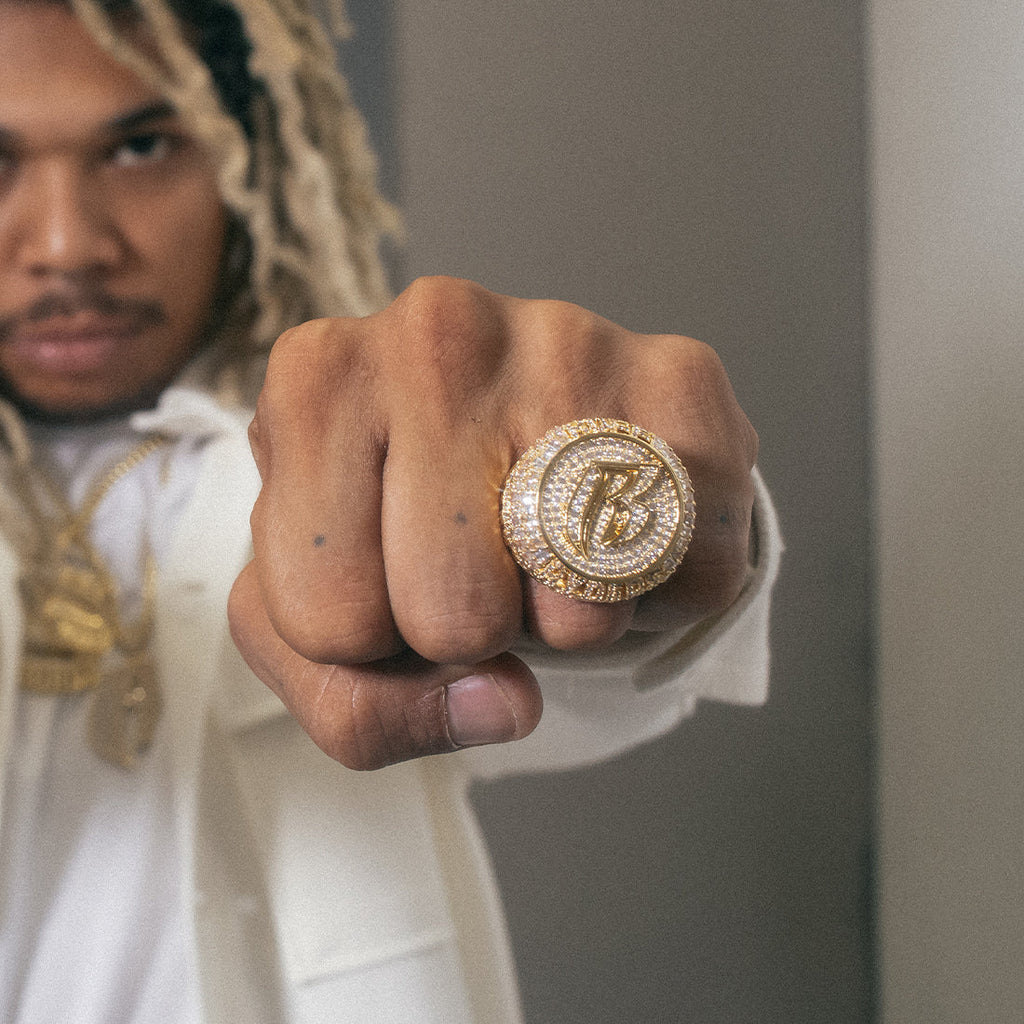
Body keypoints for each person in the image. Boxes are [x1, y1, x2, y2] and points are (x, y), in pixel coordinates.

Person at [0, 0, 781, 1021]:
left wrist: (612, 486)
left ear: (252, 150)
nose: (68, 245)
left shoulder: (344, 455)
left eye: (142, 146)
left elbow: (603, 662)